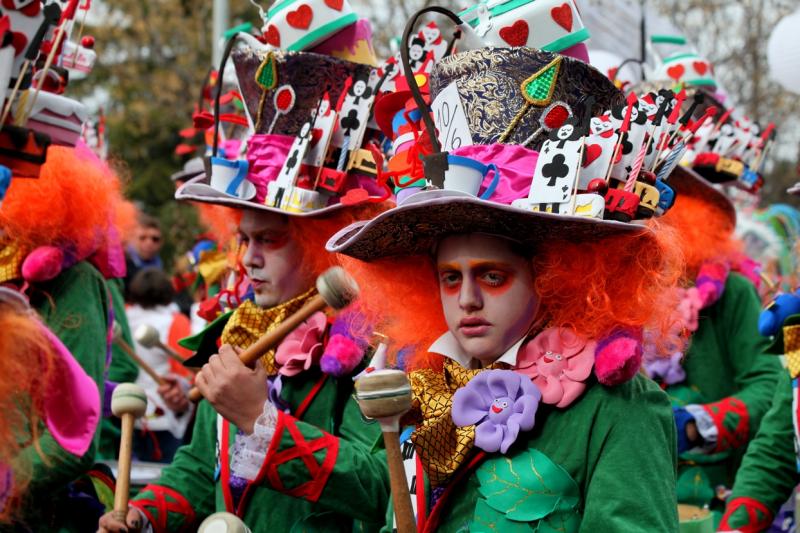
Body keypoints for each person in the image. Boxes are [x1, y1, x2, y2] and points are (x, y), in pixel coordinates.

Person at [327, 43, 683, 530]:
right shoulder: (421, 394)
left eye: (492, 275)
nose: (467, 299)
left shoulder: (618, 410)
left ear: (554, 275)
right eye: (450, 278)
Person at [648, 166, 783, 520]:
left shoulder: (733, 292)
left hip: (709, 495)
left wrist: (696, 425)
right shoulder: (613, 291)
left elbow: (769, 385)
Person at [126, 267, 194, 463]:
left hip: (127, 411)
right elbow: (184, 372)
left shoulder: (123, 316)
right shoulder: (175, 322)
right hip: (164, 414)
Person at [125, 214, 164, 291]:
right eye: (142, 238)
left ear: (161, 242)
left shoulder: (160, 267)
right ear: (132, 239)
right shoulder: (122, 270)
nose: (149, 243)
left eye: (155, 239)